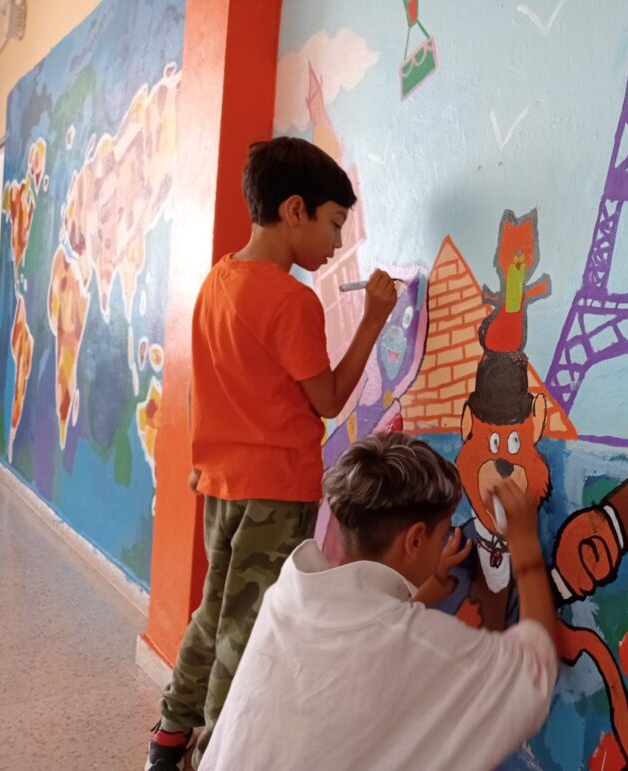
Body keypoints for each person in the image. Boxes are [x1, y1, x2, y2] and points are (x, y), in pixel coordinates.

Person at [147, 137, 399, 771]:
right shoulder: (291, 300)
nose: (337, 243)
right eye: (334, 224)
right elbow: (329, 399)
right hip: (277, 490)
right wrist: (372, 319)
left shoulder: (217, 281)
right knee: (249, 629)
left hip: (222, 486)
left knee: (214, 611)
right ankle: (218, 754)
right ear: (294, 210)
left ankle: (170, 736)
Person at [199, 432, 558, 770]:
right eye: (441, 534)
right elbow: (533, 674)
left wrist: (425, 585)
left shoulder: (290, 592)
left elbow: (365, 635)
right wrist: (525, 544)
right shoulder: (413, 643)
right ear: (414, 540)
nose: (444, 542)